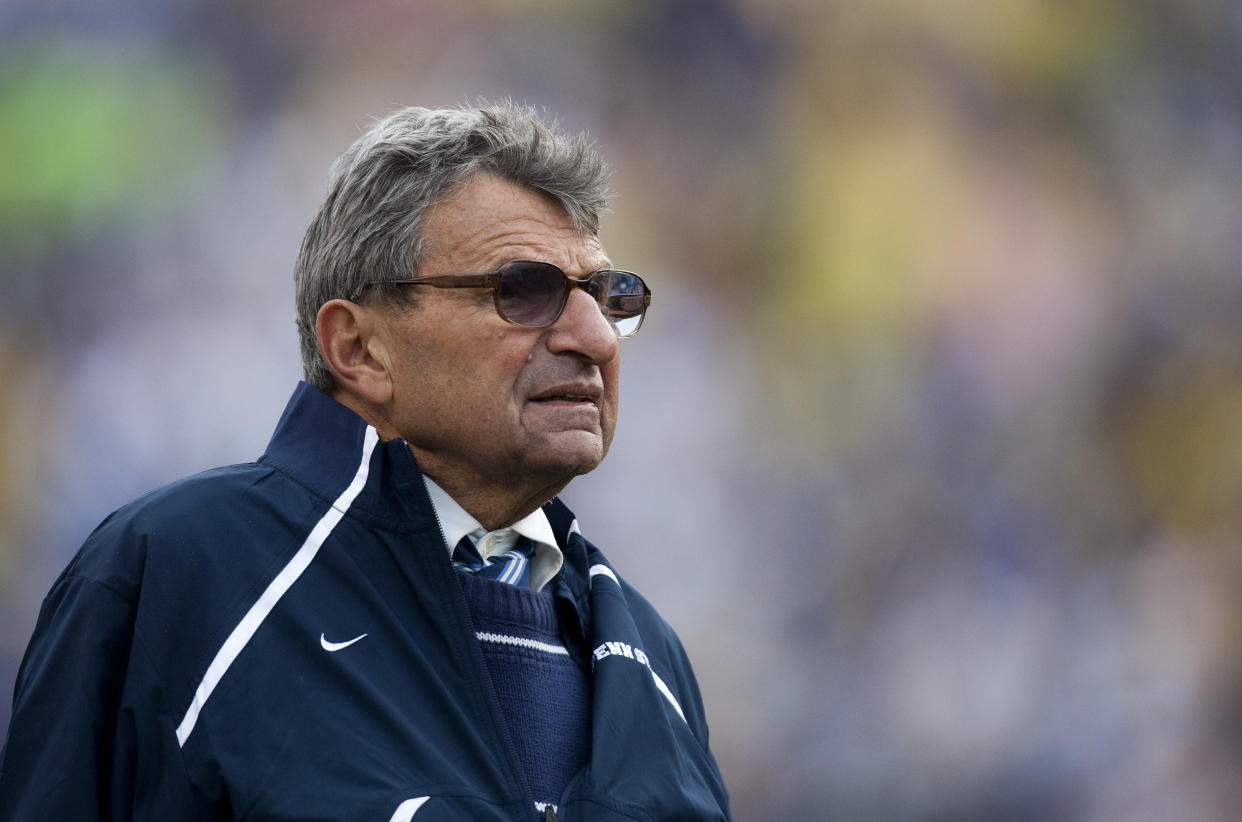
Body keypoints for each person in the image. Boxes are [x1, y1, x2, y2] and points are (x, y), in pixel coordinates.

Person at [0, 101, 731, 821]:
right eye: (523, 292)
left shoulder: (649, 652)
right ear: (357, 349)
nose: (594, 336)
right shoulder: (177, 574)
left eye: (611, 295)